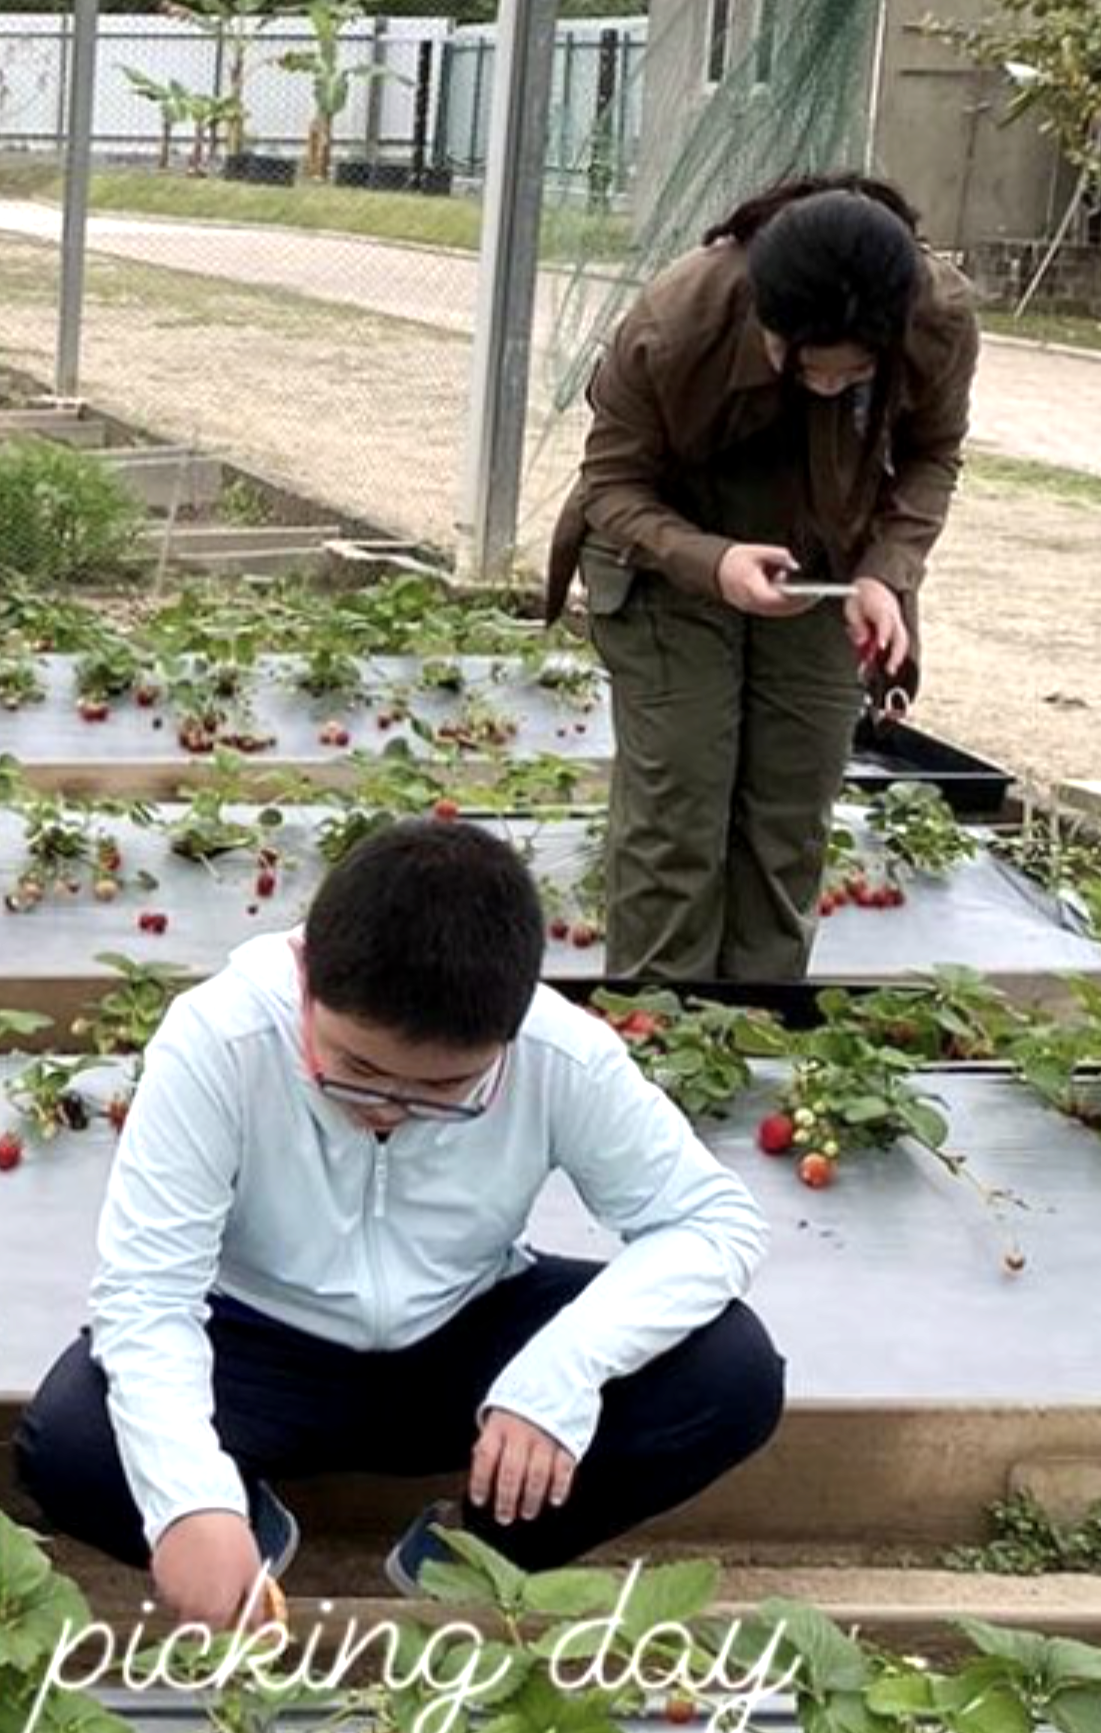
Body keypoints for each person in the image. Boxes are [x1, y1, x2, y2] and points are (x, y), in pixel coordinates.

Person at [16, 820, 783, 1628]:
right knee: (72, 1445)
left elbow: (711, 1219)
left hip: (463, 1335)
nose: (388, 1106)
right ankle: (248, 1536)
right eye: (355, 1069)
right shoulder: (219, 1039)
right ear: (308, 976)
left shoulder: (562, 1054)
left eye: (445, 1089)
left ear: (512, 1026)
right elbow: (148, 1294)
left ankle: (466, 1553)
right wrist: (189, 1502)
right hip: (259, 1339)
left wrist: (560, 1371)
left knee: (728, 1371)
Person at [546, 173, 980, 981]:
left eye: (849, 377)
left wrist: (886, 573)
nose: (822, 386)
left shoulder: (937, 317)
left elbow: (932, 454)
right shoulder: (677, 321)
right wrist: (711, 560)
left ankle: (752, 1040)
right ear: (764, 317)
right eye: (803, 365)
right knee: (679, 813)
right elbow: (611, 488)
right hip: (663, 558)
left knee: (789, 814)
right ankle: (660, 1037)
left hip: (825, 571)